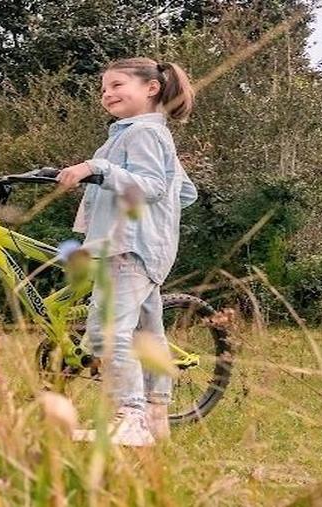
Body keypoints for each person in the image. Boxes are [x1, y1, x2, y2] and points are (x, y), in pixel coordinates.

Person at [56, 57, 199, 447]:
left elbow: (151, 186)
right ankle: (155, 418)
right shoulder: (139, 134)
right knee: (147, 336)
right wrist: (157, 222)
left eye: (117, 85)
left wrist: (97, 168)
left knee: (109, 332)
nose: (107, 94)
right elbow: (183, 192)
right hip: (142, 246)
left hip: (126, 246)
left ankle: (130, 417)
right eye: (104, 88)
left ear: (151, 88)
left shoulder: (142, 133)